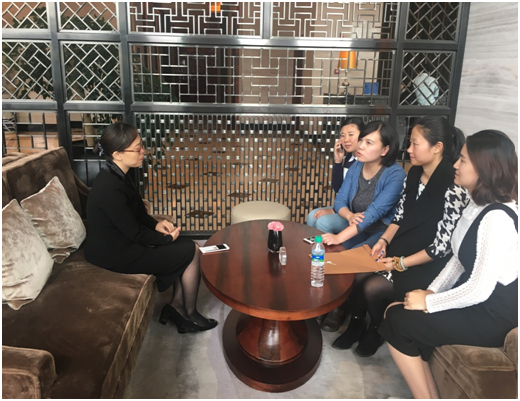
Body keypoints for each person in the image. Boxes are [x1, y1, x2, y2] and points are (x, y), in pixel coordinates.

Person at [379, 130, 518, 399]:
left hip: (493, 313)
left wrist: (430, 302)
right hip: (479, 301)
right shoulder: (476, 204)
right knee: (396, 309)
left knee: (398, 322)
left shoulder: (497, 218)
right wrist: (432, 291)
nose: (455, 164)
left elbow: (480, 289)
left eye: (462, 160)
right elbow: (457, 260)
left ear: (484, 168)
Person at [331, 117, 467, 357]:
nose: (409, 150)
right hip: (400, 249)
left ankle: (376, 329)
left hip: (425, 263)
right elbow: (399, 217)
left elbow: (441, 247)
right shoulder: (414, 173)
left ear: (437, 147)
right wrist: (383, 241)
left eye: (415, 144)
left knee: (373, 287)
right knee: (358, 271)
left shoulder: (453, 185)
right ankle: (356, 323)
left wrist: (398, 263)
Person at [85, 122, 217, 334]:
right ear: (117, 154)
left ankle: (177, 307)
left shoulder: (118, 173)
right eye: (137, 148)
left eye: (141, 145)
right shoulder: (110, 188)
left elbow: (137, 212)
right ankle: (189, 313)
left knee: (189, 246)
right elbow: (135, 233)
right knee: (191, 250)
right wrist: (167, 240)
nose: (143, 151)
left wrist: (156, 224)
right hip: (115, 254)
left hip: (121, 243)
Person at [321, 121, 406, 250]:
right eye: (361, 140)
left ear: (385, 150)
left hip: (382, 232)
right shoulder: (356, 166)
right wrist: (349, 216)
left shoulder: (396, 175)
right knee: (331, 250)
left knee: (353, 256)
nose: (360, 146)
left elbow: (373, 213)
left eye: (369, 143)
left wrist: (338, 237)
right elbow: (340, 199)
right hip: (357, 227)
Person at [307, 117, 365, 234]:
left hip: (355, 212)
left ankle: (330, 245)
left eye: (351, 134)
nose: (346, 139)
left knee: (323, 221)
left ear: (363, 136)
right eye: (343, 135)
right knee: (312, 216)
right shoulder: (350, 157)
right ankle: (313, 245)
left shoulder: (365, 160)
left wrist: (334, 210)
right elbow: (338, 187)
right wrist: (338, 161)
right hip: (344, 207)